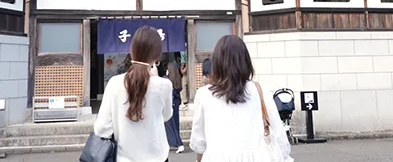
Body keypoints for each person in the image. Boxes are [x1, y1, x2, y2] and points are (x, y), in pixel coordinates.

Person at [190, 35, 293, 162]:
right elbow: (280, 138)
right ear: (245, 61)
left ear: (216, 63)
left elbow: (199, 142)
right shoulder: (260, 92)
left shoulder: (204, 94)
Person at [94, 27, 173, 162]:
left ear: (132, 50)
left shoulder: (114, 83)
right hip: (157, 158)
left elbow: (101, 129)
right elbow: (166, 116)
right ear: (157, 56)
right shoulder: (163, 85)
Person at [164, 62, 185, 154]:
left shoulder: (167, 80)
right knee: (174, 124)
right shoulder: (178, 79)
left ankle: (179, 144)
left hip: (170, 104)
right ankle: (171, 143)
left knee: (170, 125)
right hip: (175, 104)